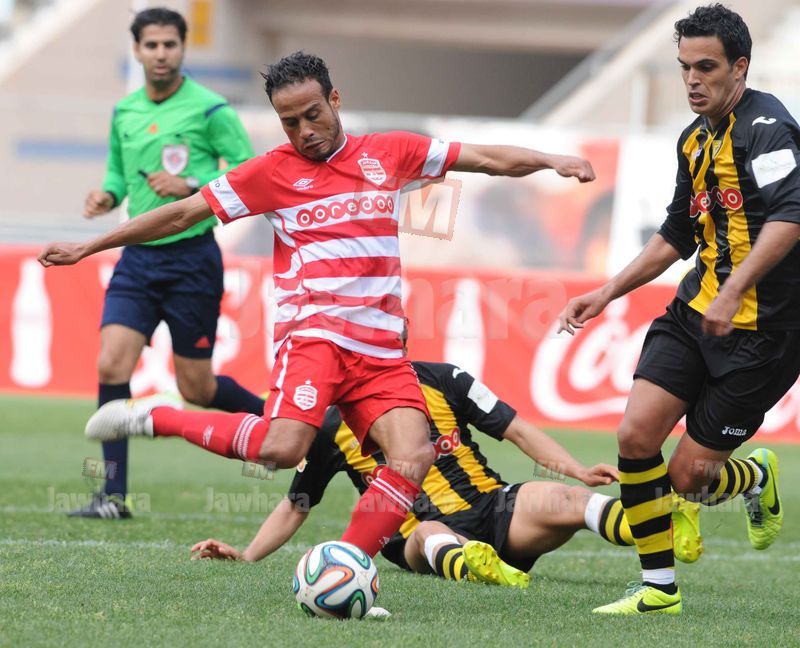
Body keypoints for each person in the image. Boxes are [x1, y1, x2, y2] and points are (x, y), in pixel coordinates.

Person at [39, 51, 595, 557]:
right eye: (290, 122)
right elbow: (184, 213)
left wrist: (551, 159)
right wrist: (90, 246)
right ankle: (157, 416)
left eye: (312, 114)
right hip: (316, 337)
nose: (304, 131)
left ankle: (347, 565)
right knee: (281, 450)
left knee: (413, 455)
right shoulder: (270, 172)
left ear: (335, 99)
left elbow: (486, 158)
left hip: (381, 351)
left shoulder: (389, 153)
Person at [558, 4, 799, 615]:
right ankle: (658, 589)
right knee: (635, 434)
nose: (692, 80)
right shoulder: (692, 140)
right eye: (685, 67)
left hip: (764, 333)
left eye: (707, 67)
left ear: (740, 67)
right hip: (694, 313)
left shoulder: (768, 128)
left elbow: (792, 217)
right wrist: (607, 291)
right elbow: (677, 233)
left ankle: (754, 477)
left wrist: (736, 289)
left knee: (690, 478)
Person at [182, 362, 637, 584]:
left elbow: (517, 430)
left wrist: (577, 470)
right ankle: (476, 570)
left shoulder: (445, 378)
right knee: (428, 533)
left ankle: (654, 529)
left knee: (564, 499)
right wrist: (248, 555)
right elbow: (297, 504)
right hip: (416, 534)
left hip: (493, 508)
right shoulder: (331, 425)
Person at [71, 8, 266, 519]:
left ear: (182, 48)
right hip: (137, 259)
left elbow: (247, 173)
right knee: (111, 364)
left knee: (196, 389)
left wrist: (191, 187)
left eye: (169, 44)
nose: (161, 54)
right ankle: (112, 495)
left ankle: (287, 425)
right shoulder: (125, 111)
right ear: (137, 50)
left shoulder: (210, 109)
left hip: (192, 260)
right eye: (151, 45)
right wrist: (106, 195)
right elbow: (118, 175)